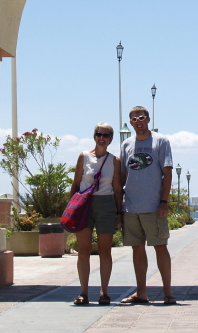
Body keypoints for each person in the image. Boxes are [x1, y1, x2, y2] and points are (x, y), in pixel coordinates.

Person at [119, 106, 176, 305]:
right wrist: (120, 207)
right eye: (134, 119)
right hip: (131, 208)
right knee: (137, 249)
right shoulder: (126, 144)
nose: (138, 121)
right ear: (131, 122)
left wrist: (164, 201)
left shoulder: (161, 141)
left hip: (154, 207)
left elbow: (167, 173)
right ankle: (141, 293)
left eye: (141, 117)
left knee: (160, 247)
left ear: (148, 119)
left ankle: (168, 292)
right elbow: (122, 176)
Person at [68, 123, 123, 306]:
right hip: (84, 204)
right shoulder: (83, 157)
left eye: (106, 135)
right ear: (94, 136)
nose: (102, 137)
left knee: (104, 251)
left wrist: (119, 213)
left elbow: (117, 188)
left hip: (106, 204)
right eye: (99, 134)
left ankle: (104, 292)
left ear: (110, 139)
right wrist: (70, 211)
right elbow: (76, 183)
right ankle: (83, 292)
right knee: (83, 251)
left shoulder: (114, 161)